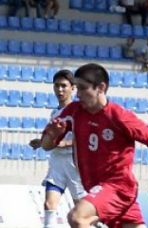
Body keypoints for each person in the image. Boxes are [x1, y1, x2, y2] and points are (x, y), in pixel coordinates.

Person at [40, 63, 148, 228]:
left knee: (77, 217)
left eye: (83, 88)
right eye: (77, 88)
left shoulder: (120, 117)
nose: (78, 95)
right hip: (97, 187)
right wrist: (52, 135)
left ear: (100, 87)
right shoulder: (74, 111)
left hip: (118, 187)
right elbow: (46, 146)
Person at [29, 70, 86, 228]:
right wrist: (41, 142)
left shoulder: (79, 111)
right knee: (49, 205)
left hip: (74, 164)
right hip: (56, 163)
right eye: (56, 86)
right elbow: (53, 136)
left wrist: (66, 144)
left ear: (73, 88)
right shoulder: (55, 112)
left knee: (80, 211)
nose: (59, 90)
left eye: (63, 86)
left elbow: (85, 137)